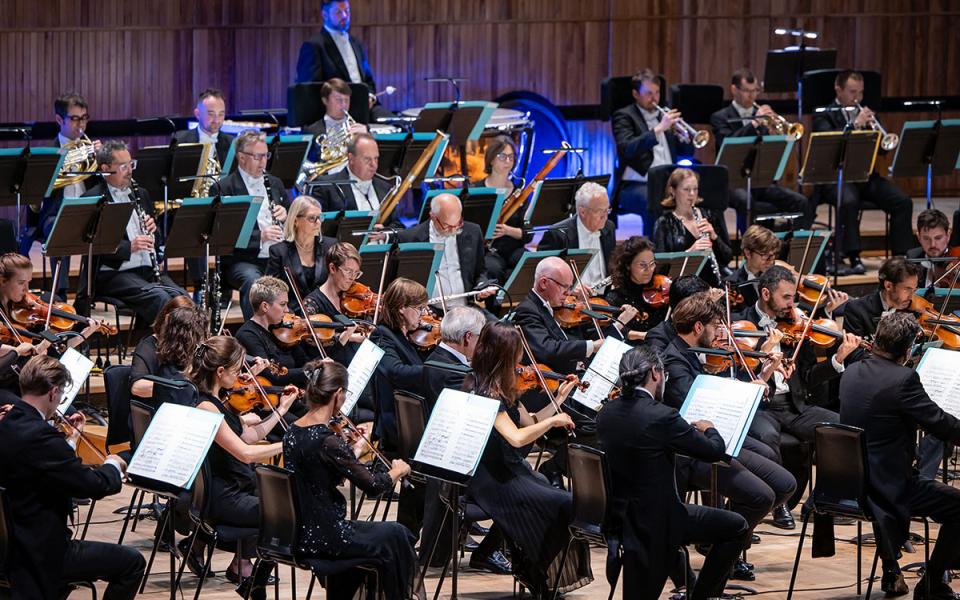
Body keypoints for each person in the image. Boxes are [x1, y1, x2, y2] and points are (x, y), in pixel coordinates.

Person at [598, 345, 751, 600]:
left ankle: (688, 585)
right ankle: (701, 595)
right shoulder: (662, 416)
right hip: (656, 520)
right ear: (657, 373)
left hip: (617, 517)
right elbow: (714, 451)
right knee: (737, 526)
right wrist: (709, 428)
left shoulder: (606, 412)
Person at [661, 292, 797, 577]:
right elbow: (698, 408)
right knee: (761, 496)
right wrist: (752, 387)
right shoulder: (674, 361)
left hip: (719, 440)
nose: (720, 333)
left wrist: (758, 378)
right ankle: (724, 554)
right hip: (694, 453)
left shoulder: (688, 354)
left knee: (784, 484)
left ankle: (720, 537)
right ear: (699, 327)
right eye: (715, 326)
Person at [0, 355, 146, 599]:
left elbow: (45, 469)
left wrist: (68, 444)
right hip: (42, 552)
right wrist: (112, 464)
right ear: (53, 392)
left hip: (12, 546)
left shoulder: (9, 423)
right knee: (131, 563)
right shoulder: (42, 438)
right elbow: (94, 486)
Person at [466, 321, 592, 598]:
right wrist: (554, 422)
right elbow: (517, 438)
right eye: (517, 352)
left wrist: (558, 399)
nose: (522, 358)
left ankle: (533, 566)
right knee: (562, 503)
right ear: (504, 354)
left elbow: (530, 421)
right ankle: (533, 568)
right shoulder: (485, 392)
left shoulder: (502, 385)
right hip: (493, 479)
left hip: (511, 470)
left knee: (565, 502)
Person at [840, 312, 960, 599]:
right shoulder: (904, 379)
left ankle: (893, 568)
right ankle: (932, 583)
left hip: (847, 482)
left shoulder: (852, 368)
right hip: (885, 485)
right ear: (907, 351)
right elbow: (940, 423)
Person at [284, 359, 417, 600]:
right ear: (337, 394)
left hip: (299, 533)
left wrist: (353, 451)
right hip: (329, 536)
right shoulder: (328, 440)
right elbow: (374, 486)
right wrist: (396, 470)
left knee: (392, 535)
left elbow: (319, 467)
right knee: (397, 534)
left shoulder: (292, 431)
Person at [736, 265, 859, 521]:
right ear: (766, 294)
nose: (793, 304)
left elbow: (808, 378)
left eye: (794, 296)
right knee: (768, 435)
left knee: (842, 427)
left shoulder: (798, 327)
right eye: (787, 297)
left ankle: (820, 501)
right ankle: (777, 501)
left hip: (794, 407)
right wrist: (764, 355)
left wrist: (837, 358)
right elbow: (738, 375)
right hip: (761, 406)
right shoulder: (743, 325)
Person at [189, 336, 299, 598]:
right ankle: (254, 582)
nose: (241, 376)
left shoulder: (217, 401)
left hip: (236, 488)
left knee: (291, 499)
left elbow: (248, 436)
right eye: (238, 370)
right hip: (225, 498)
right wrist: (289, 444)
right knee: (288, 514)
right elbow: (246, 454)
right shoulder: (207, 408)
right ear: (220, 372)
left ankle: (249, 576)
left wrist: (281, 411)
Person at [813, 69, 913, 274]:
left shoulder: (867, 114)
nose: (857, 97)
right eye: (852, 91)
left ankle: (901, 257)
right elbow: (830, 146)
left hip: (865, 176)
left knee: (902, 201)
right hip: (835, 178)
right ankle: (853, 255)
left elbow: (884, 151)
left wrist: (876, 133)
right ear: (838, 89)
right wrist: (854, 125)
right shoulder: (823, 113)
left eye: (860, 92)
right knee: (849, 201)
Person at [80, 140, 187, 322]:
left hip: (145, 270)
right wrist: (129, 247)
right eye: (123, 166)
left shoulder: (141, 193)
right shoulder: (93, 199)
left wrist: (154, 232)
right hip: (112, 274)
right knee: (161, 300)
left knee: (183, 300)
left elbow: (157, 241)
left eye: (131, 164)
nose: (130, 170)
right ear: (105, 169)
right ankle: (165, 347)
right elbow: (92, 244)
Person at [709, 68, 812, 228]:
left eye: (755, 90)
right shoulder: (720, 117)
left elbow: (776, 149)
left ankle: (794, 248)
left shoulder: (764, 117)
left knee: (800, 202)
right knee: (746, 201)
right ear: (734, 90)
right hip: (732, 182)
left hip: (760, 180)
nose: (752, 96)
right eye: (747, 91)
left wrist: (774, 134)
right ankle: (750, 247)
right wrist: (754, 124)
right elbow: (727, 142)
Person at [26, 92, 101, 298]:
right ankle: (60, 290)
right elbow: (35, 194)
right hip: (55, 213)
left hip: (88, 209)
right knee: (60, 227)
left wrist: (103, 158)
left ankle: (86, 293)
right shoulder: (48, 153)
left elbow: (103, 182)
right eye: (75, 118)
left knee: (104, 228)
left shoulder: (91, 149)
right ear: (59, 120)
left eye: (84, 118)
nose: (81, 124)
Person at [210, 130, 291, 319]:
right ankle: (256, 332)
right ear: (242, 157)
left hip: (276, 256)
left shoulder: (275, 183)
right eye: (258, 156)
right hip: (242, 260)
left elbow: (292, 222)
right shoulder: (224, 188)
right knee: (255, 283)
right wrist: (260, 237)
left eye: (266, 155)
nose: (263, 161)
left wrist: (286, 216)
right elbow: (223, 236)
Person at [611, 67, 694, 231]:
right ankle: (654, 251)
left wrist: (682, 136)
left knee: (698, 197)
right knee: (654, 202)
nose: (654, 98)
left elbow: (688, 152)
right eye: (648, 93)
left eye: (657, 92)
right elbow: (627, 148)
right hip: (635, 185)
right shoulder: (624, 116)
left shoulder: (665, 116)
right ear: (636, 94)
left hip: (669, 182)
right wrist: (658, 129)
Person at [295, 0, 391, 120]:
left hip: (366, 108)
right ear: (325, 15)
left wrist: (370, 96)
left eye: (347, 11)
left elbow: (368, 80)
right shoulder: (314, 46)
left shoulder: (356, 43)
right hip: (337, 113)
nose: (345, 16)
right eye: (338, 12)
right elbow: (310, 89)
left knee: (398, 126)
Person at [395, 193, 494, 310]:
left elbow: (480, 271)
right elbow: (404, 283)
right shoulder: (409, 238)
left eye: (458, 224)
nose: (453, 230)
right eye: (447, 226)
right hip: (430, 310)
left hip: (466, 307)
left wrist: (481, 287)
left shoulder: (473, 231)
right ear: (433, 217)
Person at [511, 256, 604, 375]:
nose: (568, 293)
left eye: (570, 287)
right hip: (554, 383)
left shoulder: (554, 306)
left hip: (575, 373)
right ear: (543, 283)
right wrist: (592, 346)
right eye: (564, 286)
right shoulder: (527, 310)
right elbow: (547, 349)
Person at [653, 168, 733, 287]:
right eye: (686, 189)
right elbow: (660, 267)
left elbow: (727, 257)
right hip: (683, 286)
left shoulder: (711, 216)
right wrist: (690, 253)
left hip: (714, 284)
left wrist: (714, 236)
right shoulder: (664, 223)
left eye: (695, 189)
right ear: (672, 191)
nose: (692, 194)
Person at [312, 132, 404, 229]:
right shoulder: (327, 186)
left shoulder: (386, 188)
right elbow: (319, 230)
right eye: (367, 159)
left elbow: (398, 226)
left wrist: (384, 234)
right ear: (351, 158)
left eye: (376, 158)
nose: (374, 165)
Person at [235, 276, 315, 387]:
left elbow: (302, 361)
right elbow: (272, 376)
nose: (287, 310)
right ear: (265, 306)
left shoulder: (282, 330)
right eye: (282, 304)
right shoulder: (248, 335)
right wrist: (311, 371)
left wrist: (318, 365)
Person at [537, 181, 616, 291]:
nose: (605, 216)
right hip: (570, 299)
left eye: (607, 210)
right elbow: (542, 275)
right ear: (582, 211)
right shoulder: (558, 234)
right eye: (599, 211)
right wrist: (571, 289)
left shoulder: (609, 228)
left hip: (604, 297)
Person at [265, 195, 339, 312]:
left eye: (320, 217)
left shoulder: (330, 246)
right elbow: (270, 292)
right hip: (293, 315)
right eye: (312, 218)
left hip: (326, 314)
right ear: (295, 221)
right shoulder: (279, 251)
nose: (318, 223)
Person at [479, 135, 533, 284]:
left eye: (511, 157)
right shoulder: (477, 191)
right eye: (503, 156)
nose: (508, 161)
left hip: (514, 249)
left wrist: (507, 230)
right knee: (493, 269)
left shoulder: (519, 194)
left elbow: (528, 235)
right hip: (487, 251)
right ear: (491, 159)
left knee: (528, 262)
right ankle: (495, 306)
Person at [131, 301, 208, 403]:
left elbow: (200, 356)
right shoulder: (149, 347)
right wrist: (178, 386)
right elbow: (137, 387)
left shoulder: (198, 346)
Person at [604, 235, 668, 337]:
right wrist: (644, 335)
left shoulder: (660, 292)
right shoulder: (615, 297)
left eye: (652, 264)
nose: (649, 270)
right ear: (628, 265)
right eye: (642, 265)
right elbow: (611, 331)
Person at [303, 78, 370, 159]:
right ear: (325, 101)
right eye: (338, 100)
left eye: (347, 100)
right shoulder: (312, 131)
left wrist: (367, 137)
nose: (344, 105)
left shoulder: (362, 128)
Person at [172, 88, 235, 170]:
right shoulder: (179, 140)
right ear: (197, 114)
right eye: (211, 114)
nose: (217, 120)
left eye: (221, 114)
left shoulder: (232, 144)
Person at [724, 224, 781, 311]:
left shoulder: (775, 277)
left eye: (773, 255)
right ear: (748, 253)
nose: (771, 261)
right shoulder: (732, 284)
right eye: (766, 256)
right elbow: (735, 317)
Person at [906, 208, 952, 288]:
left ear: (948, 235)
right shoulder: (912, 257)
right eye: (926, 238)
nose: (933, 244)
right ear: (919, 237)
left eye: (938, 238)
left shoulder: (956, 260)